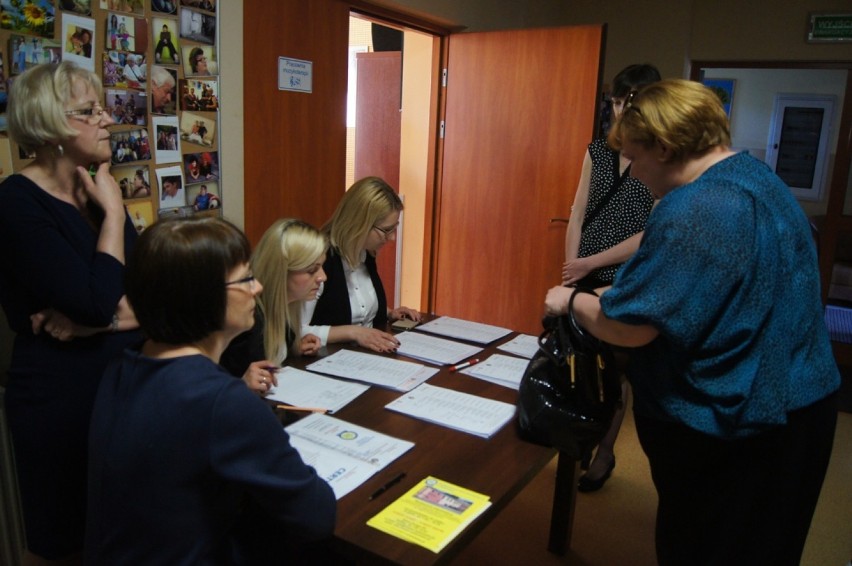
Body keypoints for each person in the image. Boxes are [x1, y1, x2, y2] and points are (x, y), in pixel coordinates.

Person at [544, 79, 840, 565]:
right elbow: (712, 285)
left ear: (664, 146)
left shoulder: (695, 207)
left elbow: (628, 329)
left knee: (709, 546)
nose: (634, 174)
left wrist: (570, 300)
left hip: (740, 424)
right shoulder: (756, 179)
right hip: (801, 404)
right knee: (767, 544)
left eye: (635, 158)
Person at [85, 216, 336, 564]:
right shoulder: (222, 400)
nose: (258, 287)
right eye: (245, 279)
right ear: (202, 298)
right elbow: (316, 514)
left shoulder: (122, 366)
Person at [0, 61, 140, 563]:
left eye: (103, 108)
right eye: (90, 110)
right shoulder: (17, 202)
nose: (107, 119)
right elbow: (97, 299)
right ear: (48, 125)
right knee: (68, 544)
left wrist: (101, 319)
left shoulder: (97, 189)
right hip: (62, 401)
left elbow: (148, 290)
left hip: (126, 387)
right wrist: (116, 218)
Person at [562, 63, 660, 492]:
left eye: (632, 100)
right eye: (618, 101)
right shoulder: (598, 151)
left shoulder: (657, 157)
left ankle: (605, 451)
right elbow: (577, 212)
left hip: (626, 275)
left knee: (615, 370)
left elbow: (653, 231)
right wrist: (571, 270)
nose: (623, 109)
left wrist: (591, 262)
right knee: (576, 360)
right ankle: (578, 436)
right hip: (581, 270)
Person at [303, 176, 421, 353]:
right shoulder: (320, 261)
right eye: (386, 230)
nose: (391, 238)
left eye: (394, 228)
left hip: (364, 358)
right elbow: (296, 331)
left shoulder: (365, 253)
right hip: (326, 361)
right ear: (360, 222)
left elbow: (357, 304)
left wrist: (388, 312)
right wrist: (354, 333)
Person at [221, 219, 328, 394]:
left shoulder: (284, 309)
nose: (322, 277)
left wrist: (293, 347)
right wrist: (241, 384)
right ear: (281, 272)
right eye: (311, 270)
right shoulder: (249, 321)